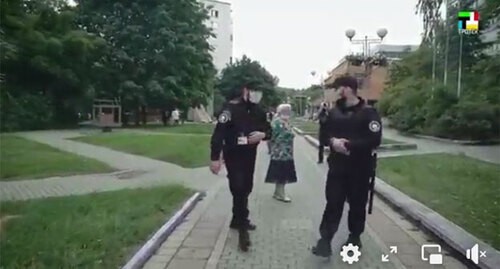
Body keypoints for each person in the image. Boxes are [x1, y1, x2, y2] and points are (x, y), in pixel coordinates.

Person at [311, 75, 382, 257]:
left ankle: (354, 237)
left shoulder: (368, 113)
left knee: (357, 204)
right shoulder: (334, 112)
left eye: (340, 87)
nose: (337, 91)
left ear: (348, 88)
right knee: (333, 202)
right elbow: (324, 135)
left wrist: (349, 145)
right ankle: (325, 240)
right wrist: (332, 141)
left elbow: (374, 139)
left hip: (359, 168)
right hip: (337, 167)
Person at [209, 83, 271, 252]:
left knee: (247, 187)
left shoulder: (258, 110)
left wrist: (263, 135)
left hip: (250, 155)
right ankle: (243, 228)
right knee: (238, 187)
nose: (257, 95)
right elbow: (218, 135)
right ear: (245, 91)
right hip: (233, 154)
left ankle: (237, 219)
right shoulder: (229, 110)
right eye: (254, 91)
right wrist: (215, 158)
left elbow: (268, 129)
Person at [265, 104, 297, 202]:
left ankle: (277, 192)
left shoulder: (285, 122)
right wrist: (290, 135)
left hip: (286, 153)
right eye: (287, 111)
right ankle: (281, 194)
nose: (289, 113)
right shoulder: (277, 122)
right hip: (280, 153)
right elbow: (277, 136)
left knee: (282, 173)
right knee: (281, 173)